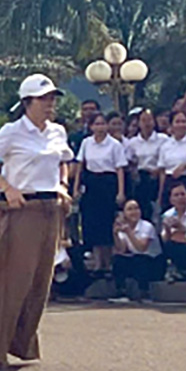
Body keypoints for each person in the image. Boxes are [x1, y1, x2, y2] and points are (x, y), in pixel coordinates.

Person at [0, 74, 73, 368]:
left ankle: (22, 343)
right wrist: (7, 188)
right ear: (27, 102)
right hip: (22, 209)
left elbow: (63, 161)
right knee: (13, 278)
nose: (50, 104)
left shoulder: (57, 132)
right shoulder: (12, 131)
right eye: (44, 99)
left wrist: (63, 185)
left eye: (52, 98)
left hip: (51, 208)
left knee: (40, 281)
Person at [73, 111, 127, 277]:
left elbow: (120, 169)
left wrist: (121, 192)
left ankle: (108, 263)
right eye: (96, 124)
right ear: (91, 126)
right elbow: (80, 166)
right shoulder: (86, 143)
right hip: (92, 185)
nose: (100, 127)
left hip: (108, 184)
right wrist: (76, 187)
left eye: (103, 123)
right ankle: (97, 263)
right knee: (92, 224)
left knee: (106, 224)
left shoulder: (114, 145)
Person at [111, 198, 164, 300]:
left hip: (153, 262)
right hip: (136, 259)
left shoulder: (147, 226)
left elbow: (141, 248)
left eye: (136, 208)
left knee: (140, 259)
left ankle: (145, 292)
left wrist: (129, 232)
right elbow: (122, 250)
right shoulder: (124, 227)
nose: (134, 212)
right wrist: (116, 235)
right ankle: (121, 291)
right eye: (130, 209)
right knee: (118, 260)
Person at [123, 108, 166, 222]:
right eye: (143, 120)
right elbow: (129, 161)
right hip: (141, 178)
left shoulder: (163, 139)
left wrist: (158, 170)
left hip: (158, 177)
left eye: (149, 120)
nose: (147, 123)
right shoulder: (133, 142)